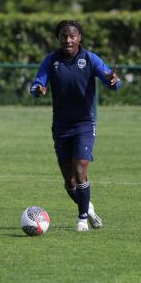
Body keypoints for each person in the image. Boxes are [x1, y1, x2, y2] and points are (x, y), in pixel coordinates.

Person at [30, 20, 121, 232]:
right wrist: (38, 89)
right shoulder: (51, 60)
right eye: (64, 36)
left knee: (81, 170)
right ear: (58, 38)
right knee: (69, 181)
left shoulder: (90, 58)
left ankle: (81, 219)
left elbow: (112, 81)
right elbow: (37, 84)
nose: (68, 40)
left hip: (84, 123)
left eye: (72, 36)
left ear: (79, 38)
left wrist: (113, 81)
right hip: (61, 126)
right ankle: (87, 207)